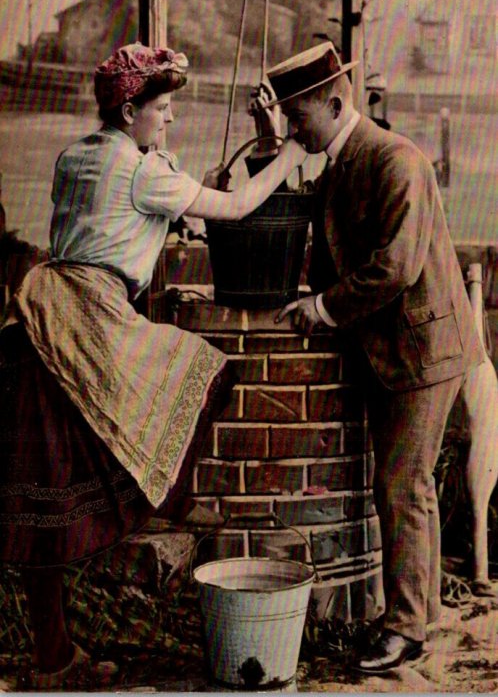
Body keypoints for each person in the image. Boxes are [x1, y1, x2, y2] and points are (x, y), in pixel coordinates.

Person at [0, 42, 307, 690]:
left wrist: (171, 198)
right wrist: (287, 153)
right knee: (206, 370)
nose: (170, 120)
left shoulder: (78, 156)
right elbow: (238, 208)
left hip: (40, 317)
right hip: (89, 317)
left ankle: (54, 656)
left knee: (44, 496)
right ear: (130, 109)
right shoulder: (143, 171)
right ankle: (176, 494)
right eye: (162, 109)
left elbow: (126, 214)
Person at [256, 41, 484, 672]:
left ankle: (407, 628)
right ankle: (422, 613)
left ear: (332, 103)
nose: (292, 127)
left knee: (402, 484)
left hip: (424, 348)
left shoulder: (395, 160)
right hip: (397, 345)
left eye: (297, 117)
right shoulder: (342, 158)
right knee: (408, 485)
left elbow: (396, 267)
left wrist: (323, 308)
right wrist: (269, 145)